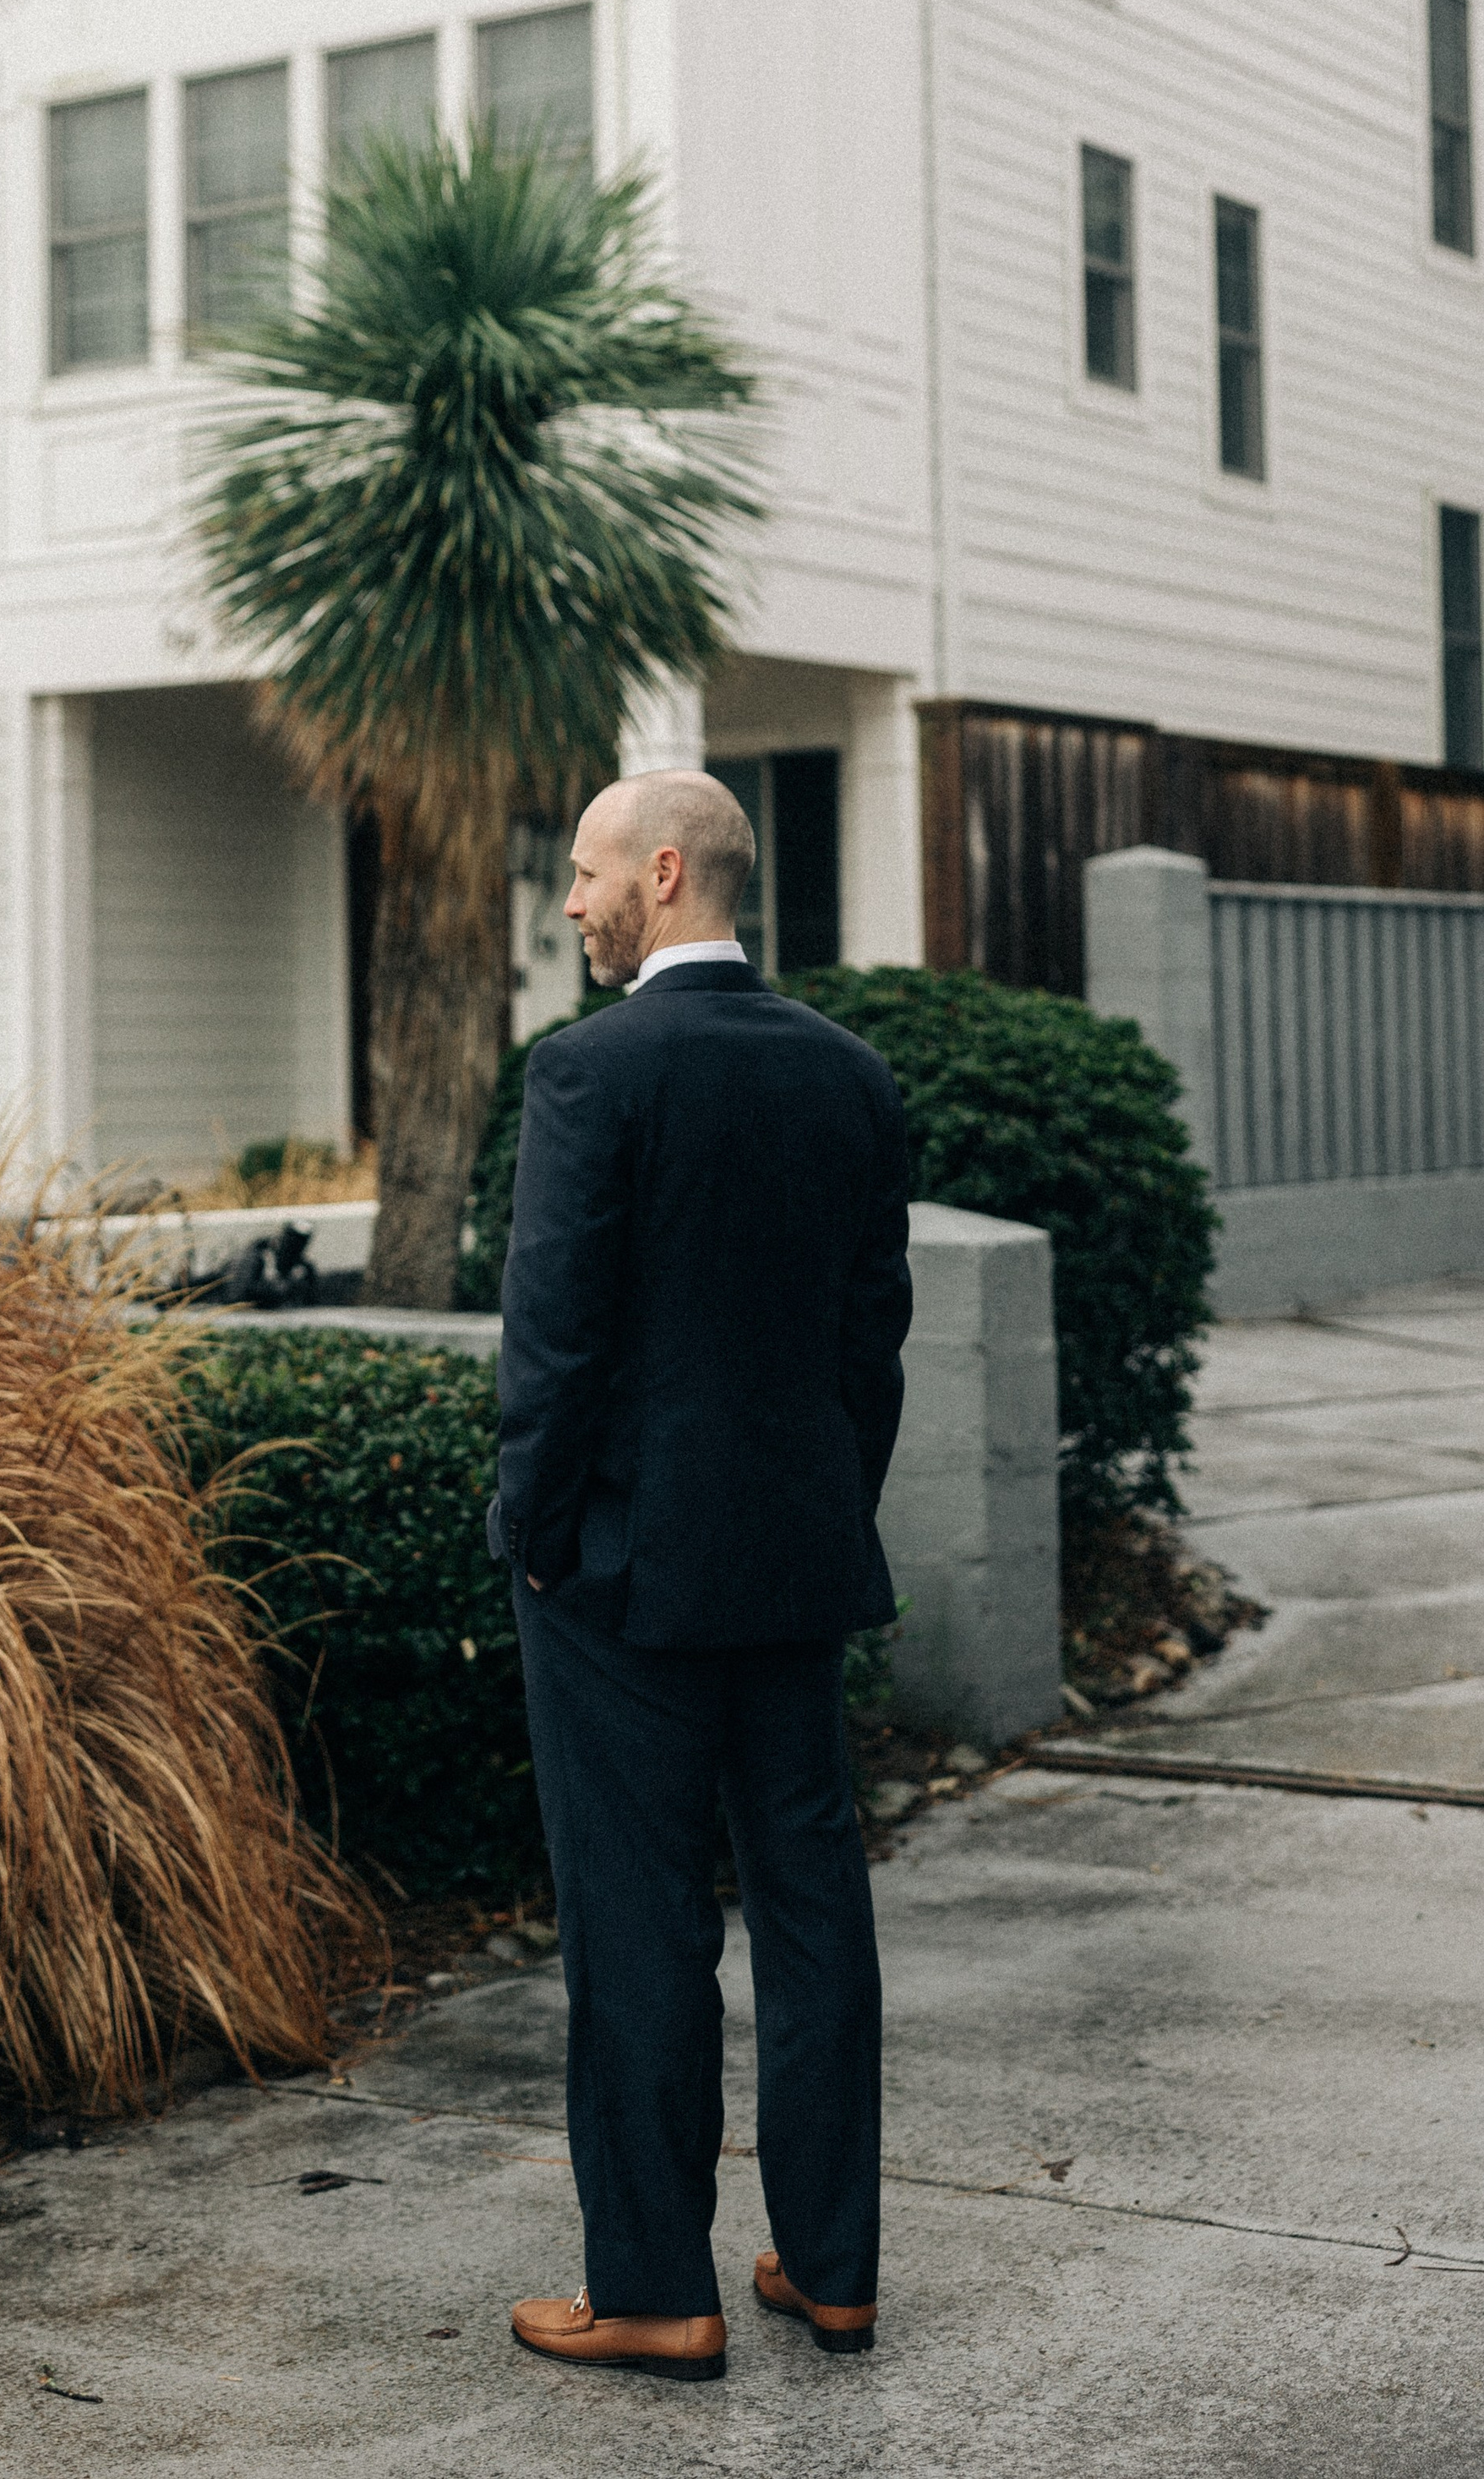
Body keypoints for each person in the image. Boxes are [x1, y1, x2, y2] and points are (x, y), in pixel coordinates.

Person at [492, 767, 912, 2383]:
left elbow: (556, 1351)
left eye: (592, 873)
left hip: (622, 1582)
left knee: (638, 1918)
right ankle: (832, 2264)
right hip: (796, 1564)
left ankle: (657, 2289)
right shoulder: (850, 1076)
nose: (578, 902)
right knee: (813, 1906)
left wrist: (533, 1536)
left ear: (664, 874)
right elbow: (868, 1346)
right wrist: (818, 1510)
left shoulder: (592, 1074)